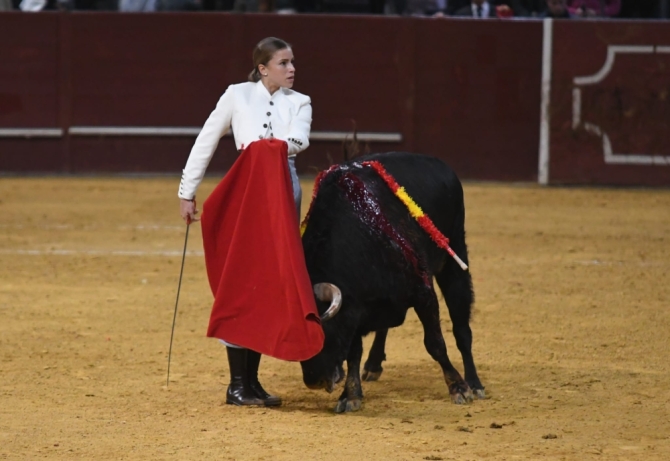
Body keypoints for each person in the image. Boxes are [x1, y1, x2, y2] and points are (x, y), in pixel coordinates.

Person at [178, 37, 316, 407]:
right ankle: (237, 384)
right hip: (246, 187)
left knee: (267, 283)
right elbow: (206, 139)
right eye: (284, 63)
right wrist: (186, 191)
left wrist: (266, 149)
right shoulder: (237, 95)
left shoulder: (300, 102)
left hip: (281, 188)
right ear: (263, 68)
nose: (292, 69)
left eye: (292, 62)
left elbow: (298, 140)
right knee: (242, 279)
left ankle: (250, 383)